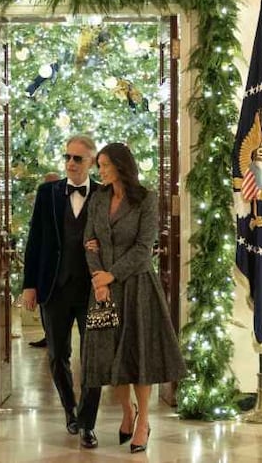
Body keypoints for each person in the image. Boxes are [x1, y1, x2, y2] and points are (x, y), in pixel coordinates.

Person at [83, 142, 184, 453]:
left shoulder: (146, 199)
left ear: (121, 166)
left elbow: (144, 249)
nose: (100, 171)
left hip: (138, 287)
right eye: (98, 165)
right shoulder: (98, 198)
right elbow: (90, 241)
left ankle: (143, 421)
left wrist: (111, 274)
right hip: (103, 288)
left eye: (104, 165)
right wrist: (98, 279)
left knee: (138, 355)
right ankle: (127, 411)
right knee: (111, 355)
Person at [21, 135, 102, 448]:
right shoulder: (48, 193)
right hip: (54, 288)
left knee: (93, 358)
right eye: (67, 156)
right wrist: (30, 285)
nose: (70, 163)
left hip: (93, 290)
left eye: (78, 158)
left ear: (92, 162)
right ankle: (70, 408)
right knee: (57, 356)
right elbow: (36, 241)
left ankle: (88, 423)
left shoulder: (104, 194)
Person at [27, 172, 63, 350]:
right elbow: (34, 236)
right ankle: (48, 335)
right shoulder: (43, 199)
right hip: (45, 269)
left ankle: (52, 337)